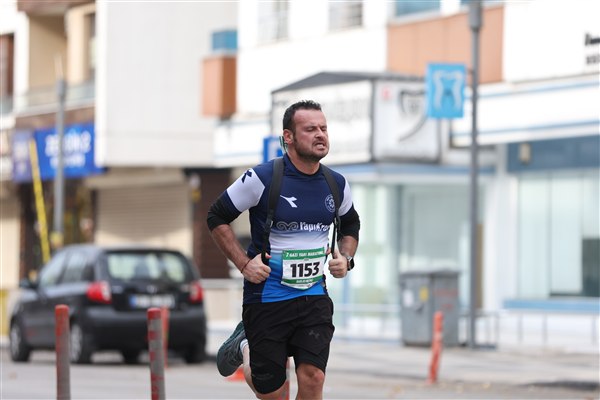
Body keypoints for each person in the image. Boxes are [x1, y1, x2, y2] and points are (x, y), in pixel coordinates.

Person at [206, 100, 360, 400]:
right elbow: (216, 216)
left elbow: (351, 223)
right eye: (310, 129)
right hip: (268, 297)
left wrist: (346, 257)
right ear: (288, 137)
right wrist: (243, 264)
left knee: (314, 378)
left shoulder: (336, 183)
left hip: (313, 297)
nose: (320, 135)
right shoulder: (263, 178)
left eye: (324, 128)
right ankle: (245, 345)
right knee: (273, 393)